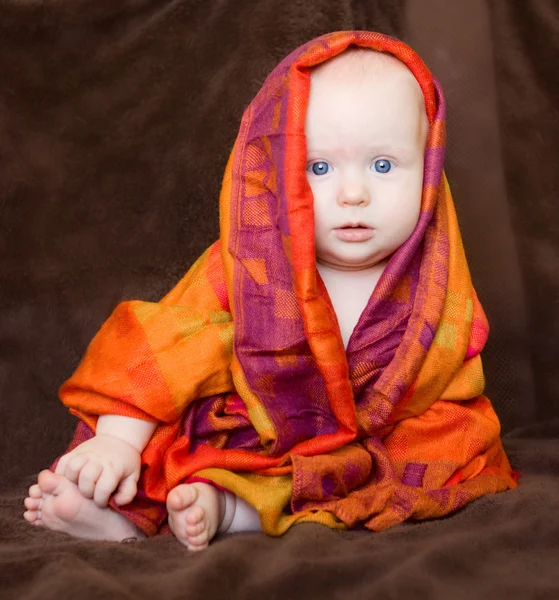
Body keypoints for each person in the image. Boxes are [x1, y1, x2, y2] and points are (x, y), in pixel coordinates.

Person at [23, 32, 518, 551]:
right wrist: (115, 442)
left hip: (379, 442)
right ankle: (122, 514)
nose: (354, 194)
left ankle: (229, 511)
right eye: (320, 168)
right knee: (175, 432)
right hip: (255, 433)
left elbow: (455, 377)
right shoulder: (251, 265)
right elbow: (162, 345)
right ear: (275, 175)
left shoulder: (433, 281)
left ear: (429, 171)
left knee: (450, 448)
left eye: (383, 165)